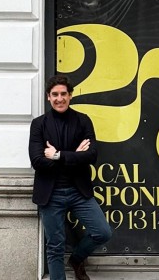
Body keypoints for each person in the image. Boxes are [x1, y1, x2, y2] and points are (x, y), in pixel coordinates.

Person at [29, 74, 112, 280]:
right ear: (48, 97)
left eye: (63, 94)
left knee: (102, 232)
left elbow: (92, 156)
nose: (59, 98)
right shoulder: (39, 124)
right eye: (55, 94)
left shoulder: (83, 121)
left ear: (70, 95)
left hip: (78, 191)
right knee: (55, 246)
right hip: (51, 193)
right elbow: (37, 161)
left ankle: (76, 259)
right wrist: (75, 155)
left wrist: (58, 155)